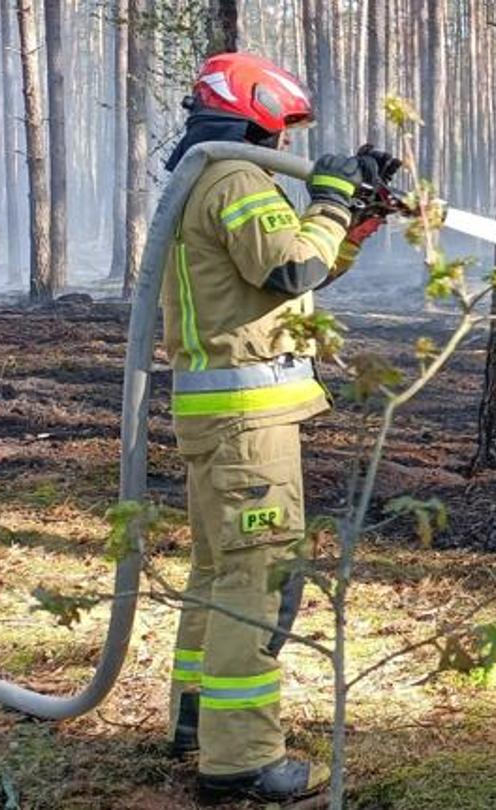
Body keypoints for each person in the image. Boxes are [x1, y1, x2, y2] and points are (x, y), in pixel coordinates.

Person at [158, 52, 400, 804]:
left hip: (224, 419)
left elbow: (294, 275)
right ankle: (241, 758)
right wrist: (327, 201)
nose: (288, 141)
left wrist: (352, 221)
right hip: (246, 423)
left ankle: (197, 721)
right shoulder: (234, 178)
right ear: (254, 110)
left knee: (219, 571)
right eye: (284, 125)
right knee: (258, 582)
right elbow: (290, 267)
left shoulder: (210, 175)